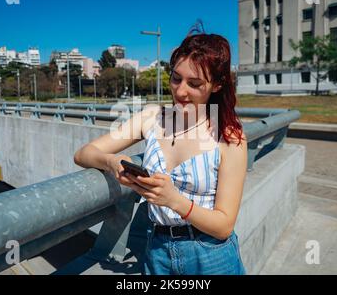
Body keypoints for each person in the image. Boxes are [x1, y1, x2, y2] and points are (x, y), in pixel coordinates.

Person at [74, 28, 247, 275]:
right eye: (176, 78)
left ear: (217, 85)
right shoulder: (152, 117)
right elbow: (83, 154)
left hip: (211, 256)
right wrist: (112, 162)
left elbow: (224, 226)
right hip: (157, 250)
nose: (180, 91)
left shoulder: (229, 137)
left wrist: (174, 200)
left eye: (195, 83)